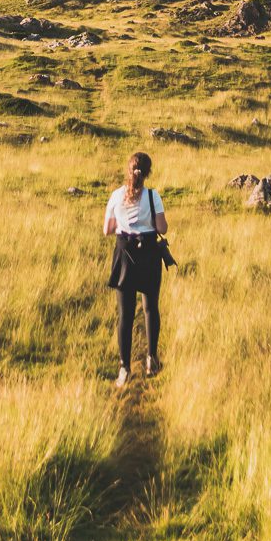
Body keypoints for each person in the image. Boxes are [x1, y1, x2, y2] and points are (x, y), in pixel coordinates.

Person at [104, 150, 168, 389]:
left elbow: (107, 230)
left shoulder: (116, 195)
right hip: (149, 253)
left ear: (128, 171)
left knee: (125, 314)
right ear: (148, 173)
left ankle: (124, 367)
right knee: (150, 308)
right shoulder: (153, 196)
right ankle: (151, 359)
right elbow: (162, 226)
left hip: (124, 255)